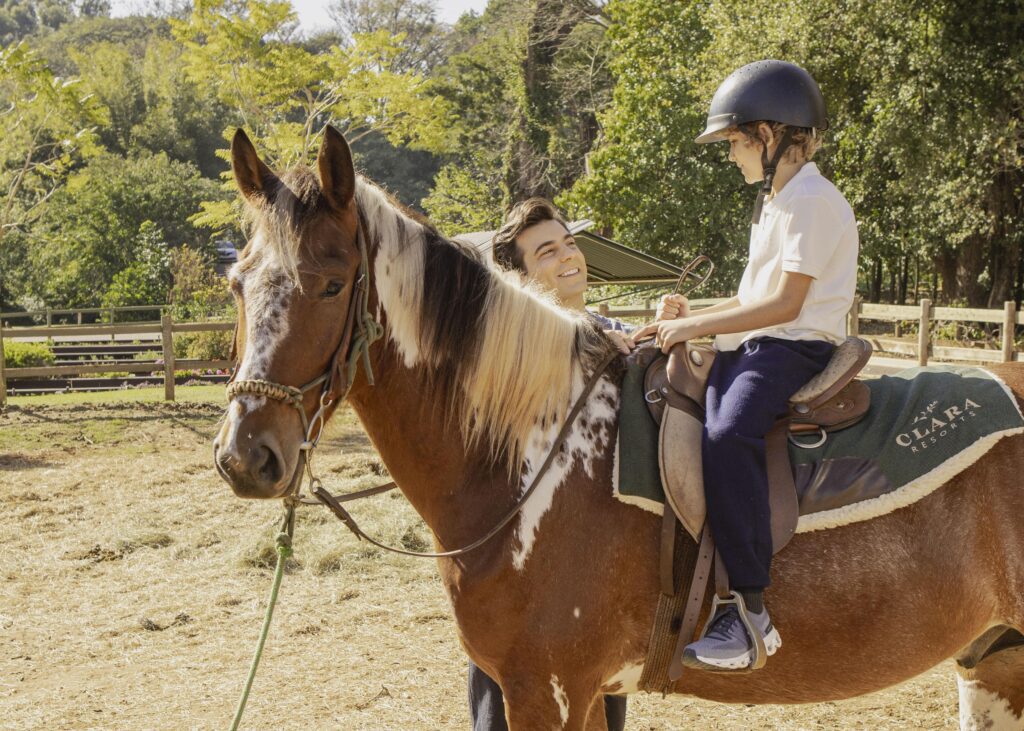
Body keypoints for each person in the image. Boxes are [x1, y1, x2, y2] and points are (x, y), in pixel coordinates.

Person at [655, 60, 858, 672]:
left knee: (728, 431)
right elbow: (749, 300)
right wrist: (692, 316)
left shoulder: (814, 203)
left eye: (738, 143)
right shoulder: (777, 202)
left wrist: (695, 326)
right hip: (758, 343)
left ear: (769, 137)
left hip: (794, 348)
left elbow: (786, 305)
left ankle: (748, 611)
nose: (733, 156)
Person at [467, 197, 631, 731]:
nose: (568, 257)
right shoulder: (507, 348)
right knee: (511, 696)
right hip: (524, 568)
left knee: (601, 694)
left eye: (568, 243)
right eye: (546, 251)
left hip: (599, 555)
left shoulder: (608, 325)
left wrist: (654, 339)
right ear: (519, 277)